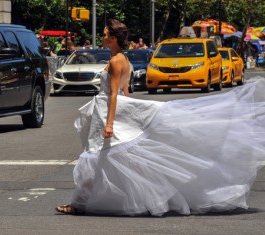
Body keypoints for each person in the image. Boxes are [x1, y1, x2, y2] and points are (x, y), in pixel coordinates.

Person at [56, 19, 265, 216]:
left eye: (104, 35)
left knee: (95, 156)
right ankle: (88, 202)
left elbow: (113, 95)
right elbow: (125, 93)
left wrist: (110, 123)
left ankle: (79, 204)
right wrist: (128, 117)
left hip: (107, 112)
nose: (101, 38)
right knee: (112, 158)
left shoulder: (115, 61)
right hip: (115, 111)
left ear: (113, 38)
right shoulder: (125, 60)